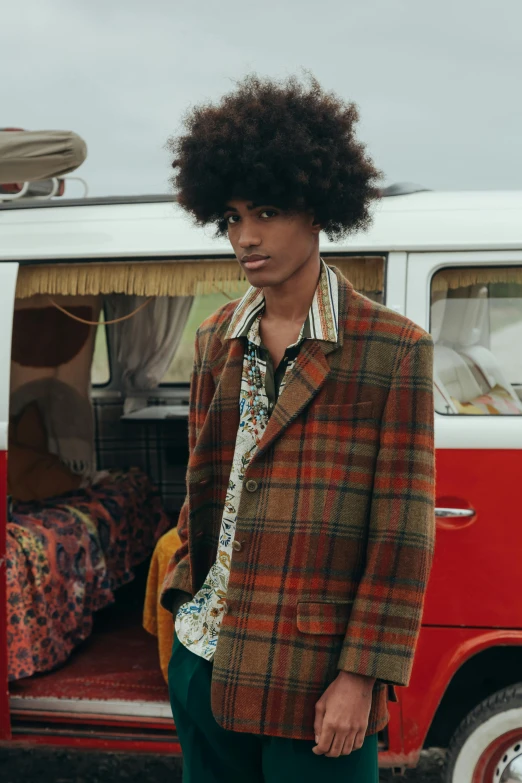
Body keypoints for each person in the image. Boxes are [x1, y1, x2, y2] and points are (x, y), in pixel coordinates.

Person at [160, 73, 436, 783]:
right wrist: (180, 609)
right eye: (230, 216)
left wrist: (362, 675)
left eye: (268, 211)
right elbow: (204, 484)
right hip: (205, 659)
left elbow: (401, 533)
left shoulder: (393, 347)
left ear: (317, 208)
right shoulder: (216, 337)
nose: (245, 237)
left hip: (313, 686)